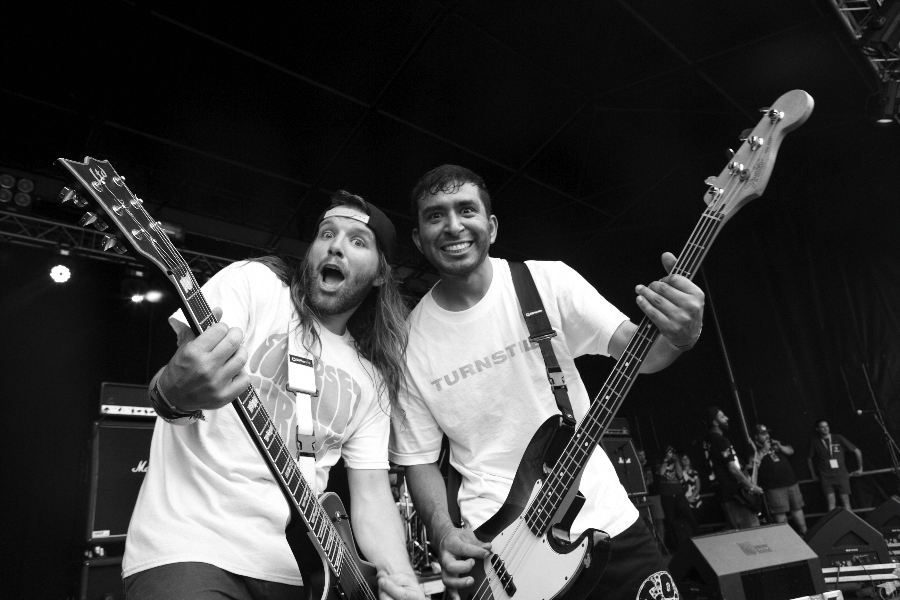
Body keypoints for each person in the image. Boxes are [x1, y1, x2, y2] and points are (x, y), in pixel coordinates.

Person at [390, 165, 704, 600]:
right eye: (435, 215)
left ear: (491, 226)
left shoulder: (546, 282)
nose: (454, 225)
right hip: (501, 557)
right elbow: (418, 459)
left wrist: (683, 334)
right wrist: (443, 531)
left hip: (606, 523)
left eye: (466, 210)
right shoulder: (409, 342)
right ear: (418, 238)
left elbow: (642, 354)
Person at [122, 191, 425, 600]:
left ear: (380, 275)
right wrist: (172, 393)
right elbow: (179, 379)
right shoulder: (256, 284)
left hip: (303, 575)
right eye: (326, 233)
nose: (335, 245)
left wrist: (400, 574)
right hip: (191, 546)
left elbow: (371, 493)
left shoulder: (369, 378)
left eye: (357, 241)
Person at [703, 407, 762, 530]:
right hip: (735, 495)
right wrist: (751, 487)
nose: (727, 418)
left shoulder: (708, 441)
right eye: (722, 416)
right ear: (715, 422)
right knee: (751, 530)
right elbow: (732, 468)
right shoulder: (720, 440)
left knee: (739, 530)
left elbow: (722, 464)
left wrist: (745, 466)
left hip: (725, 494)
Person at [751, 424, 807, 534]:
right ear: (756, 436)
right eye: (763, 434)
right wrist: (763, 450)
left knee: (797, 508)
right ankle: (786, 538)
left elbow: (790, 451)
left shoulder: (774, 443)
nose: (767, 436)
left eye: (767, 433)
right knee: (780, 513)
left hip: (790, 482)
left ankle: (804, 533)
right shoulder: (753, 447)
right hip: (773, 486)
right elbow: (751, 463)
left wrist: (780, 447)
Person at [807, 419, 863, 511]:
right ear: (817, 429)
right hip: (826, 476)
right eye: (822, 427)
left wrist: (860, 468)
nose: (825, 429)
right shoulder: (815, 442)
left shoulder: (838, 437)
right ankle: (833, 520)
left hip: (841, 475)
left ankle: (849, 520)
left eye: (827, 426)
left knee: (845, 501)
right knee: (831, 501)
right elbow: (809, 458)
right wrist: (813, 475)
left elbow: (857, 451)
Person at [658, 447, 699, 551]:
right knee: (670, 520)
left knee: (689, 515)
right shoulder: (660, 463)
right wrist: (666, 460)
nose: (671, 454)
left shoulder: (677, 463)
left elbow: (680, 475)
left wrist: (676, 462)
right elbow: (661, 473)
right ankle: (675, 545)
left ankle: (698, 537)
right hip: (667, 495)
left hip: (679, 494)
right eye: (669, 452)